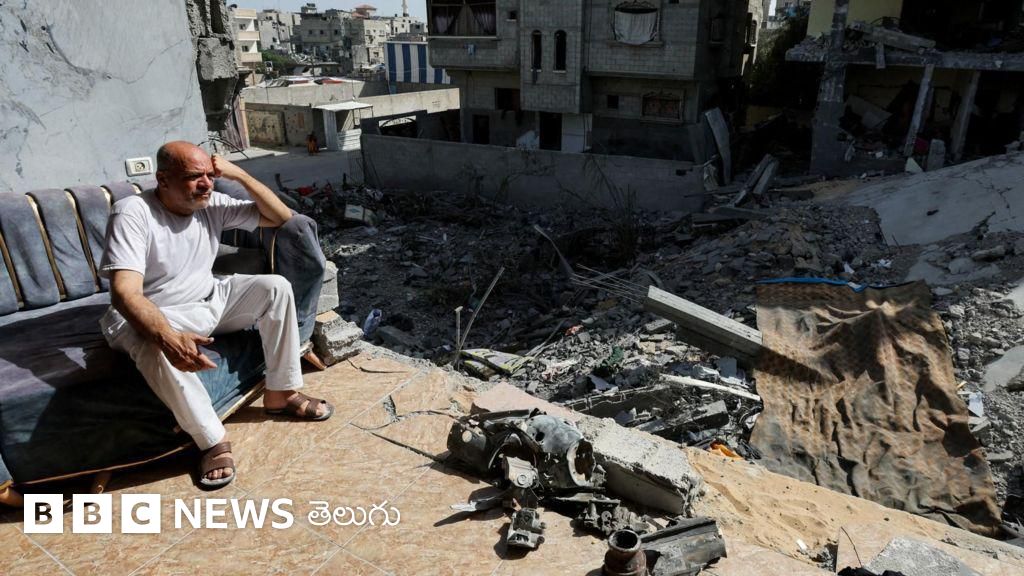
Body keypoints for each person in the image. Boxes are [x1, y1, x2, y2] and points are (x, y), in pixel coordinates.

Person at [99, 141, 333, 489]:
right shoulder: (133, 212)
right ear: (163, 180)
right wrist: (166, 336)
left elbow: (282, 218)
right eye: (195, 177)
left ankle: (281, 393)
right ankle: (211, 440)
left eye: (210, 175)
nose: (206, 184)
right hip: (155, 312)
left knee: (275, 287)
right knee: (150, 342)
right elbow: (125, 293)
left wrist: (238, 174)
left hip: (207, 299)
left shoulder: (210, 203)